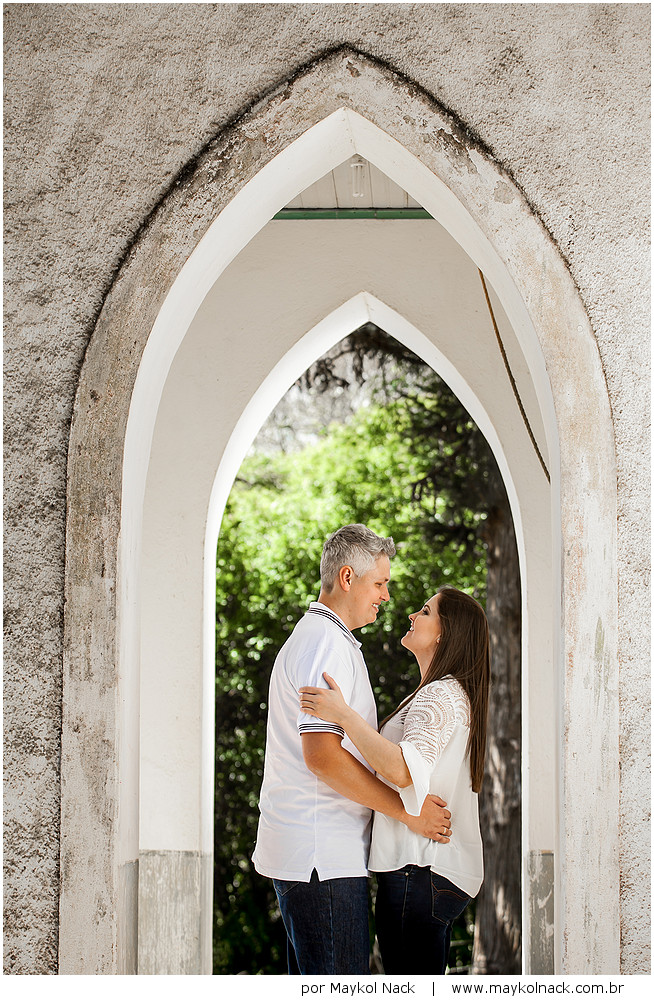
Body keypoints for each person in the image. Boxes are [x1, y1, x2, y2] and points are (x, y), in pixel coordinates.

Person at [252, 525, 453, 975]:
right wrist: (408, 814)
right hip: (322, 859)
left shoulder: (325, 639)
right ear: (347, 578)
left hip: (314, 857)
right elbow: (322, 756)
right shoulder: (326, 645)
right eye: (379, 583)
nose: (385, 595)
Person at [299, 585, 490, 975]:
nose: (411, 616)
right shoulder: (442, 693)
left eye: (424, 611)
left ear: (444, 632)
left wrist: (343, 715)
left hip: (417, 869)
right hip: (423, 871)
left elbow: (404, 769)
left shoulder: (439, 695)